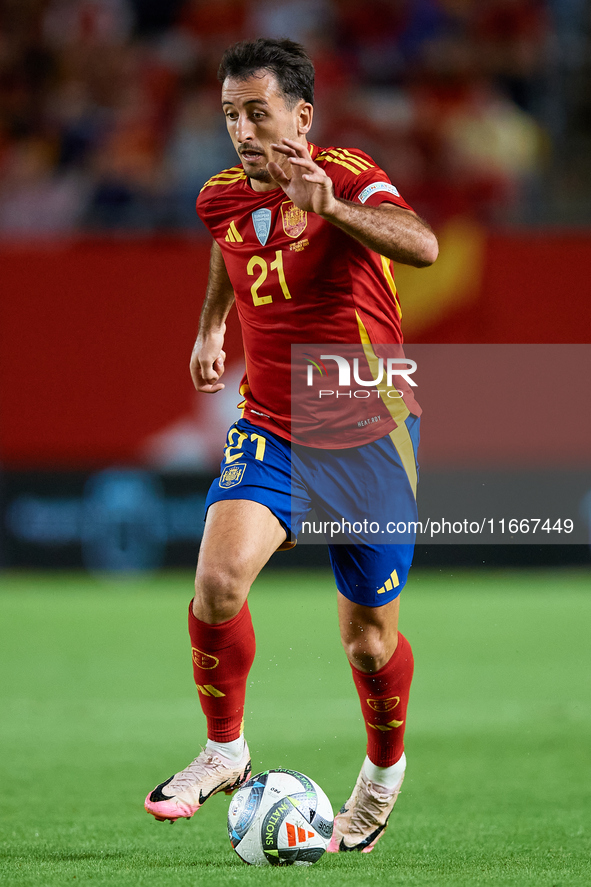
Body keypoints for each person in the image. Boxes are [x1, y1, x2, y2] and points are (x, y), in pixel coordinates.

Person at [145, 37, 438, 854]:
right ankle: (225, 751)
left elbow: (422, 246)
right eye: (230, 113)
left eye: (257, 112)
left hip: (369, 434)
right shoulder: (219, 197)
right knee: (215, 583)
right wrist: (211, 324)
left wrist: (334, 208)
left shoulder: (344, 172)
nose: (241, 129)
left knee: (367, 638)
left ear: (300, 116)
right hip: (272, 422)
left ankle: (381, 775)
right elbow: (229, 244)